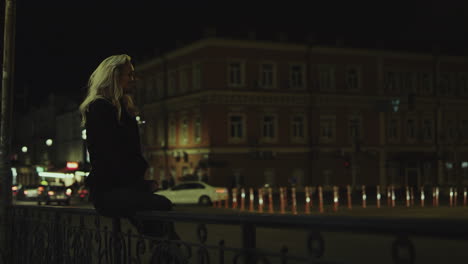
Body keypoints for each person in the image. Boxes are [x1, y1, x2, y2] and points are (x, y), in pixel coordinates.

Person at [79, 54, 178, 240]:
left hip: (122, 189)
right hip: (108, 193)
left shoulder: (122, 108)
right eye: (129, 75)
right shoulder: (100, 108)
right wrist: (138, 182)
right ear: (114, 77)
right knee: (162, 207)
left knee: (162, 231)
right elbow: (109, 156)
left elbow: (128, 153)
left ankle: (166, 251)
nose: (134, 79)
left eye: (134, 75)